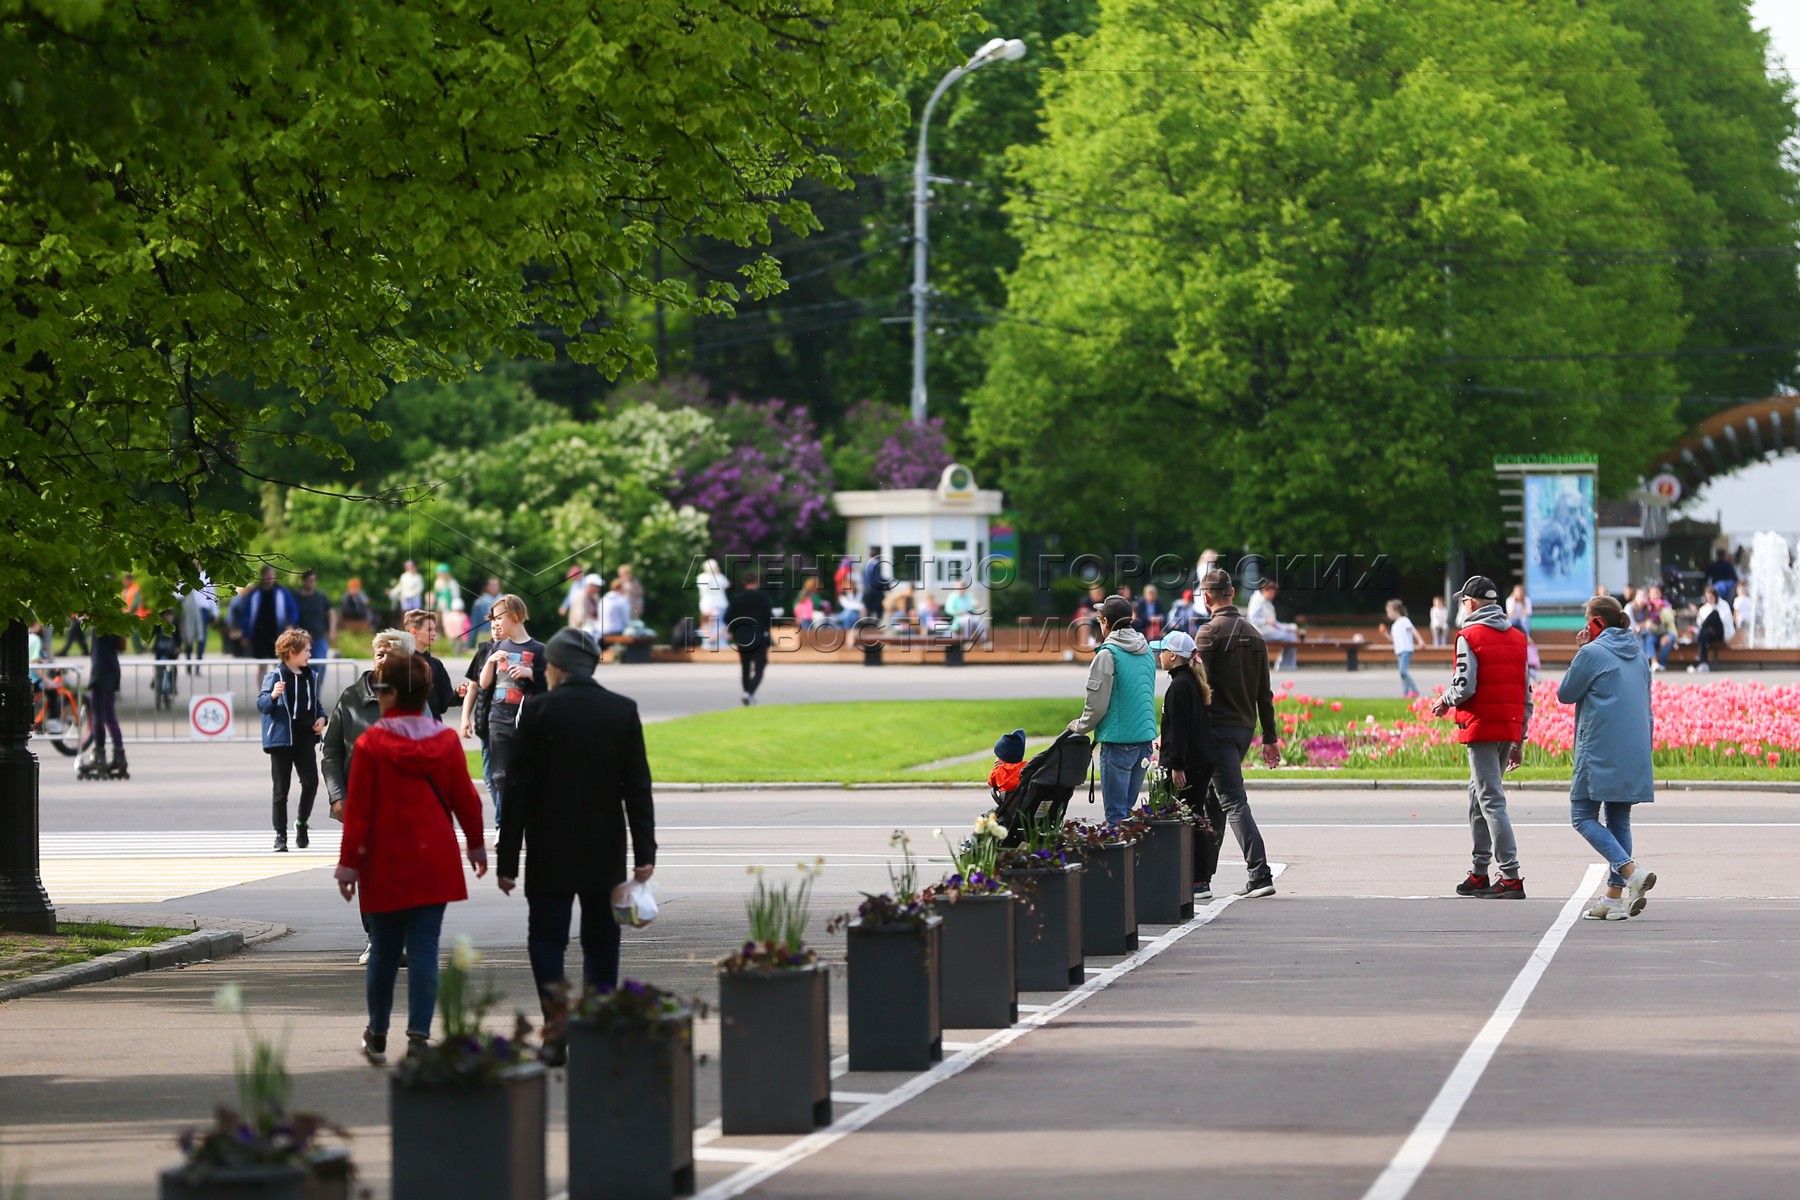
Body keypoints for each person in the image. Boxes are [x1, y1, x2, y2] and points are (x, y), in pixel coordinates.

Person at [498, 628, 657, 1064]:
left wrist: (508, 860)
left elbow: (518, 789)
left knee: (547, 939)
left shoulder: (539, 710)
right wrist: (645, 853)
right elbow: (637, 788)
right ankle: (597, 1028)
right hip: (604, 848)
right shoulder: (621, 710)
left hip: (549, 846)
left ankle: (556, 1026)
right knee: (602, 941)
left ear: (556, 667)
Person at [334, 652, 486, 1065]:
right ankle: (418, 1035)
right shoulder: (445, 741)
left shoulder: (371, 744)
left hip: (383, 861)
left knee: (384, 952)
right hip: (433, 858)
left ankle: (378, 1033)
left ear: (388, 694)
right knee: (423, 950)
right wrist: (476, 845)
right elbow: (466, 799)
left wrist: (348, 865)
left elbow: (358, 812)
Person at [1559, 595, 1659, 921]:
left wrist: (1581, 650)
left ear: (1596, 623)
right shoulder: (1639, 655)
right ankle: (1614, 899)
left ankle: (1631, 872)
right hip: (1634, 748)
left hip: (1599, 749)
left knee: (1582, 816)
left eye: (1586, 620)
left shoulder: (1591, 653)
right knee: (1619, 820)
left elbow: (1565, 693)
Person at [1432, 575, 1532, 900]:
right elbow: (1526, 694)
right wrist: (1519, 739)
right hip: (1507, 726)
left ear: (1471, 603)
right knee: (1477, 795)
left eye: (1463, 600)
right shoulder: (1518, 638)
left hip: (1482, 727)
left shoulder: (1469, 636)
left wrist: (1444, 700)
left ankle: (1511, 876)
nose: (1463, 605)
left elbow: (1464, 685)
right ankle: (1479, 871)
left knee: (1490, 799)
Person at [322, 628, 417, 964]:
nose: (383, 659)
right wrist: (338, 795)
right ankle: (377, 938)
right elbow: (331, 750)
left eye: (391, 654)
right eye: (379, 653)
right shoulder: (352, 697)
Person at [1194, 570, 1281, 898]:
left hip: (1217, 729)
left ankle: (1259, 874)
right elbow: (1264, 693)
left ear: (1207, 597)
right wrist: (1269, 737)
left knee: (1231, 800)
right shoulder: (1255, 635)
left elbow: (1199, 688)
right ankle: (1200, 880)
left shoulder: (1209, 633)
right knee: (1213, 802)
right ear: (1231, 593)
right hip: (1244, 728)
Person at [1067, 595, 1157, 825]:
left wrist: (1080, 726)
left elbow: (1096, 705)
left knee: (1116, 816)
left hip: (1118, 742)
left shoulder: (1107, 654)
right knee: (1126, 812)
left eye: (1100, 620)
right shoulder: (1146, 650)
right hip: (1144, 742)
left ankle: (1121, 850)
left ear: (1106, 622)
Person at [1155, 630, 1222, 900]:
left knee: (1190, 820)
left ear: (1173, 656)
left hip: (1189, 764)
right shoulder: (1189, 681)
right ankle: (1198, 878)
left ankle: (1198, 880)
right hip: (1200, 760)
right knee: (1195, 816)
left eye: (1162, 651)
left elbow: (1181, 731)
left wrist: (1177, 765)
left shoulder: (1179, 686)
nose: (1159, 655)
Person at [475, 594, 546, 831]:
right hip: (498, 718)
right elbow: (484, 683)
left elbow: (551, 683)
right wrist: (490, 662)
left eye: (499, 618)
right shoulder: (498, 646)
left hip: (526, 721)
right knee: (499, 776)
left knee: (527, 774)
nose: (495, 623)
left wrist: (530, 673)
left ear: (514, 617)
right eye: (493, 619)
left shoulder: (539, 649)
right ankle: (508, 825)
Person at [257, 629, 327, 853]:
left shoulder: (311, 676)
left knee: (311, 782)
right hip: (282, 739)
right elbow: (262, 704)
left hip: (305, 737)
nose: (310, 654)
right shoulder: (275, 676)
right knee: (281, 789)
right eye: (306, 650)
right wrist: (272, 696)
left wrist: (322, 718)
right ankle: (280, 835)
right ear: (291, 652)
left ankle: (301, 822)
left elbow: (316, 704)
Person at [723, 571, 774, 706]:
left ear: (744, 582)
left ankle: (746, 693)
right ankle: (749, 693)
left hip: (742, 636)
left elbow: (727, 618)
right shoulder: (763, 597)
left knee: (745, 668)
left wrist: (735, 629)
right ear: (756, 582)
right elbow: (769, 617)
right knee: (760, 667)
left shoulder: (736, 599)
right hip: (758, 636)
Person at [84, 630, 127, 777]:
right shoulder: (116, 623)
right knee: (110, 717)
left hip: (100, 672)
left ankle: (99, 755)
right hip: (112, 670)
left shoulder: (101, 623)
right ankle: (119, 755)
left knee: (98, 717)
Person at [403, 610, 457, 720]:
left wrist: (458, 694)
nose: (434, 633)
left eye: (434, 629)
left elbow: (443, 702)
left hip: (433, 725)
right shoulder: (400, 662)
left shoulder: (436, 664)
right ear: (414, 632)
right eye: (429, 630)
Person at [238, 566, 299, 660]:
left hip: (277, 632)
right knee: (261, 661)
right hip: (259, 633)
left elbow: (293, 610)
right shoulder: (255, 593)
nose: (270, 578)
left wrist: (290, 624)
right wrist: (245, 635)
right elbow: (247, 615)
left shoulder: (282, 592)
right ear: (262, 576)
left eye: (272, 576)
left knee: (277, 659)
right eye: (268, 576)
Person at [293, 570, 335, 693]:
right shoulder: (296, 597)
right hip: (300, 640)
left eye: (313, 580)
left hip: (318, 638)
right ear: (304, 581)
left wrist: (332, 630)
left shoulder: (321, 597)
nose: (311, 583)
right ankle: (302, 695)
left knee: (320, 667)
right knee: (300, 668)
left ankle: (315, 694)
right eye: (309, 580)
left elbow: (331, 613)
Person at [1246, 580, 1298, 671]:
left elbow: (1274, 623)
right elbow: (1252, 618)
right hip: (1261, 632)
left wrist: (1288, 627)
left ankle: (1285, 664)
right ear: (1266, 590)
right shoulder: (1258, 600)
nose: (1273, 595)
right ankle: (1285, 665)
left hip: (1267, 631)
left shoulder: (1265, 601)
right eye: (1272, 592)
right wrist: (1266, 621)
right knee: (1291, 637)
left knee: (1291, 635)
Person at [1379, 599, 1422, 698]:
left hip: (1406, 649)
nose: (1388, 614)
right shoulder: (1394, 625)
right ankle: (1405, 693)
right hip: (1399, 651)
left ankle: (1415, 690)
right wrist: (1385, 634)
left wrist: (1420, 640)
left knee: (1403, 671)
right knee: (1402, 673)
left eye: (1389, 611)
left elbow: (1413, 630)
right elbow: (1393, 639)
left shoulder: (1404, 620)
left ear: (1396, 610)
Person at [1689, 584, 1735, 673]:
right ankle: (1703, 663)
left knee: (1714, 614)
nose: (1710, 599)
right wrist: (1697, 613)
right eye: (1708, 597)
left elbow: (1724, 619)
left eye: (1711, 597)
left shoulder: (1723, 604)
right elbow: (1700, 622)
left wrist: (1708, 622)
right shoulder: (1704, 608)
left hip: (1721, 631)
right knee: (1703, 635)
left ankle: (1700, 630)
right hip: (1710, 633)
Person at [178, 577, 218, 676]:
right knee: (189, 637)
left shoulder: (207, 577)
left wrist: (215, 613)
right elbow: (178, 594)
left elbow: (212, 595)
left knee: (202, 639)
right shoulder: (185, 575)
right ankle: (189, 662)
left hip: (202, 610)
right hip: (190, 610)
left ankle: (198, 665)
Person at [1637, 585, 1677, 671]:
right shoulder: (1646, 607)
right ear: (1649, 595)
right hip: (1653, 633)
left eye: (1657, 594)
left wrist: (1660, 612)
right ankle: (1654, 663)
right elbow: (1643, 623)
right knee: (1649, 639)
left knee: (1666, 641)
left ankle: (1662, 665)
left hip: (1667, 632)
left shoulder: (1666, 606)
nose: (1655, 596)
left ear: (1660, 594)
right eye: (1653, 594)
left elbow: (1670, 625)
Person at [697, 558, 730, 649]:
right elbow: (727, 584)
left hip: (706, 605)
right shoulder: (720, 577)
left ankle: (707, 644)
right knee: (720, 625)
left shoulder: (701, 577)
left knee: (707, 625)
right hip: (720, 604)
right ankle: (721, 645)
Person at [989, 728, 1027, 798]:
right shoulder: (1025, 768)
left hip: (1008, 800)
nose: (995, 760)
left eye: (998, 756)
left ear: (1006, 757)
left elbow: (991, 782)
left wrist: (996, 769)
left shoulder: (1001, 771)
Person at [467, 576, 502, 649]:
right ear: (487, 587)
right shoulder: (479, 602)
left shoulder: (504, 601)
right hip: (484, 634)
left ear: (499, 587)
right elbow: (474, 622)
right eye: (491, 585)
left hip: (501, 634)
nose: (493, 588)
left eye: (495, 585)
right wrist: (468, 643)